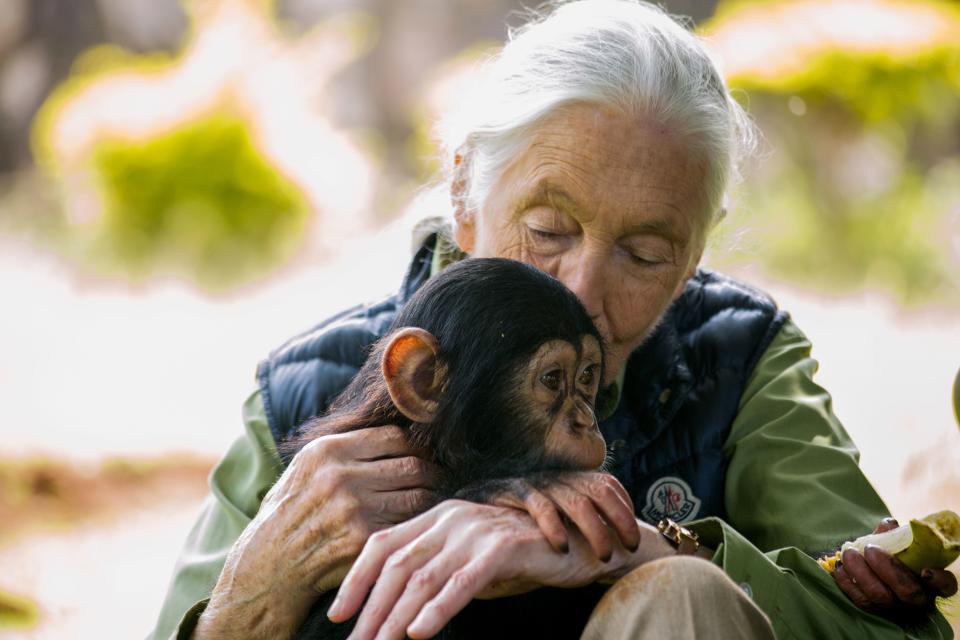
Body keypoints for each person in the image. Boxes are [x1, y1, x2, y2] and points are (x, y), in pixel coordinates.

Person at [149, 1, 958, 639]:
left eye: (644, 254)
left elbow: (896, 631)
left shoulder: (737, 359)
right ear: (465, 193)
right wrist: (254, 594)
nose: (581, 290)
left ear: (695, 254)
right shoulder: (310, 388)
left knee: (678, 596)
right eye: (547, 231)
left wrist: (643, 549)